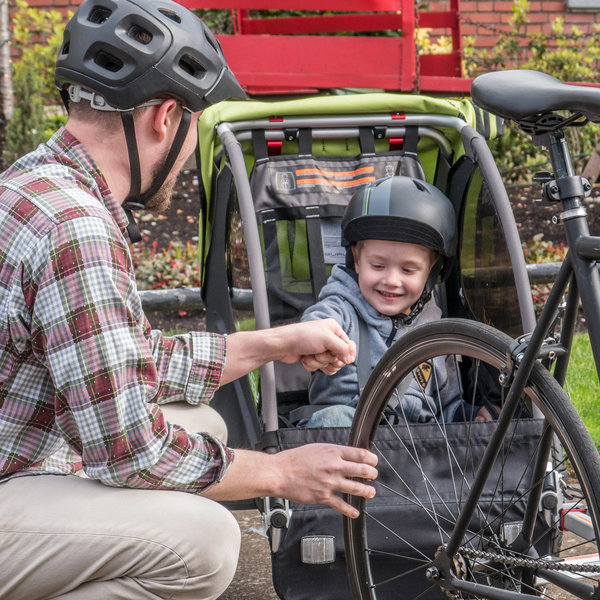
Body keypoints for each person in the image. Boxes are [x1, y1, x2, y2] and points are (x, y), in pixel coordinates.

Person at [0, 1, 378, 599]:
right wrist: (283, 472)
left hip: (20, 447)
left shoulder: (36, 183)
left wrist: (273, 343)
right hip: (13, 475)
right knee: (203, 542)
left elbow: (123, 362)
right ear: (166, 118)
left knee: (203, 423)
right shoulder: (77, 229)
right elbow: (132, 452)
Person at [301, 176, 496, 427]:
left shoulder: (437, 333)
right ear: (357, 260)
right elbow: (319, 322)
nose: (392, 280)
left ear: (433, 270)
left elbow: (446, 406)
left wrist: (469, 415)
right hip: (345, 438)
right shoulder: (342, 309)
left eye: (408, 270)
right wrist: (315, 338)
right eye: (378, 265)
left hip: (413, 451)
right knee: (333, 419)